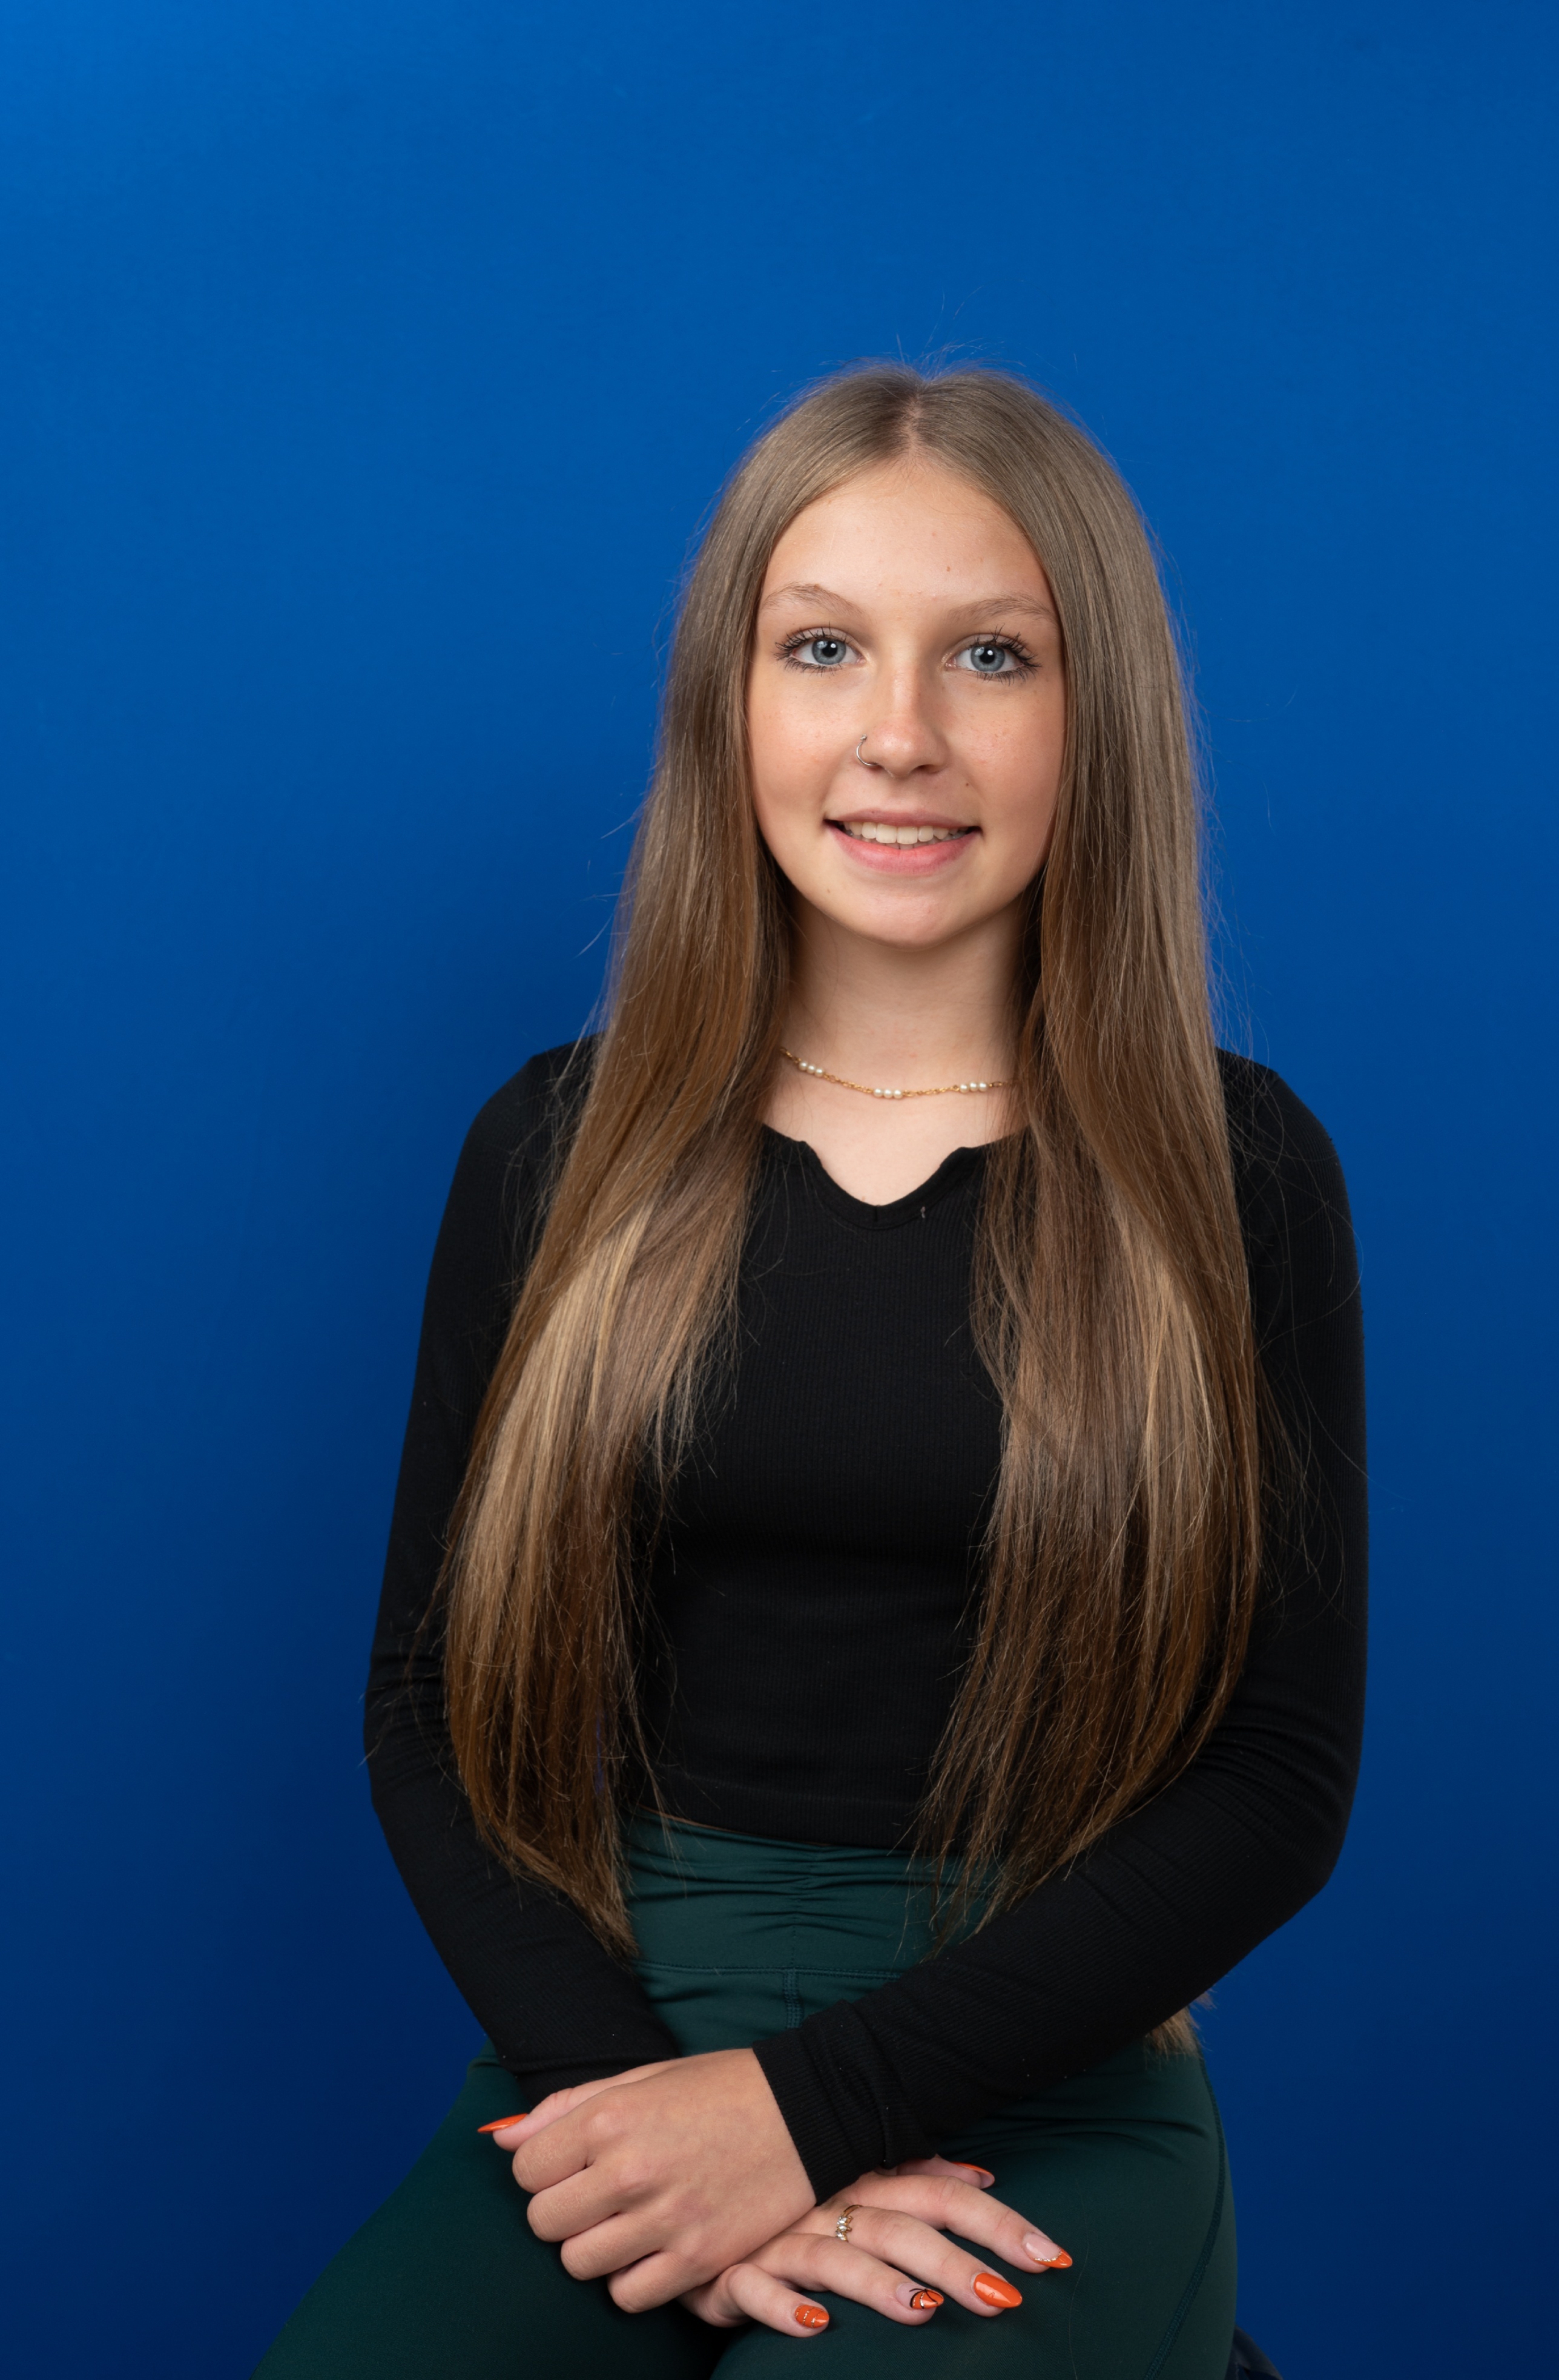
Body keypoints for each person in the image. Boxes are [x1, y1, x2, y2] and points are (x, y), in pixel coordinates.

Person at [257, 364, 1366, 2378]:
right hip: (615, 2057)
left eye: (993, 655)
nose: (900, 733)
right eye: (825, 646)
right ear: (731, 701)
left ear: (1097, 711)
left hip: (1040, 2070)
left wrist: (806, 2115)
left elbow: (1277, 1783)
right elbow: (423, 1705)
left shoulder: (1239, 1174)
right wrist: (654, 2120)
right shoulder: (556, 1146)